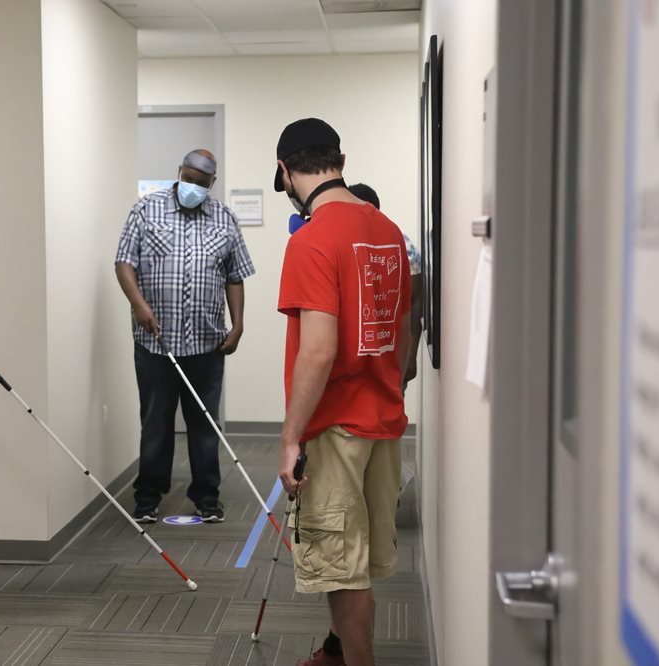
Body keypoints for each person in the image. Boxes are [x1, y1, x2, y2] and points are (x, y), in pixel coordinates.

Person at [273, 120, 412, 666]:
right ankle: (338, 653)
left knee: (339, 567)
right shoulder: (387, 229)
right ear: (341, 160)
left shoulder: (312, 240)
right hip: (382, 419)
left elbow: (318, 351)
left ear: (286, 171)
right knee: (356, 564)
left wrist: (289, 438)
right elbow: (399, 332)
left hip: (332, 428)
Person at [114, 149, 256, 524]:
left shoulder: (225, 219)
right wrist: (138, 303)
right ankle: (148, 497)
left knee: (205, 424)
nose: (191, 186)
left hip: (207, 344)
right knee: (156, 422)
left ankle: (206, 496)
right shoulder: (146, 210)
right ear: (178, 172)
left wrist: (237, 324)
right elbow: (124, 262)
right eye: (187, 178)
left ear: (212, 183)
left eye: (200, 182)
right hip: (155, 343)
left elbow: (235, 276)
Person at [347, 183, 423, 390]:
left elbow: (415, 302)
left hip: (391, 353)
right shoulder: (345, 243)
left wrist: (411, 357)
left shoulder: (402, 245)